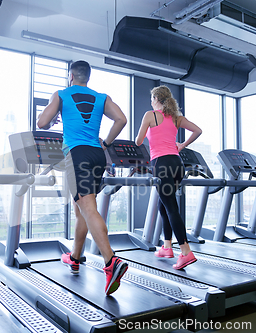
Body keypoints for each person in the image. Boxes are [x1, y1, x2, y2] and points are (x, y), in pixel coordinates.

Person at [37, 60, 128, 295]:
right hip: (98, 154)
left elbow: (42, 122)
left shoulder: (62, 94)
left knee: (87, 208)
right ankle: (75, 257)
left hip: (77, 154)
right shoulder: (101, 97)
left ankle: (111, 262)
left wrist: (56, 114)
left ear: (71, 76)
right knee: (82, 209)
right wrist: (106, 142)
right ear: (87, 77)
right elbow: (121, 119)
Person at [135, 85, 201, 269]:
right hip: (177, 164)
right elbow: (198, 130)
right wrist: (182, 145)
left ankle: (186, 251)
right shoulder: (176, 118)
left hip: (161, 164)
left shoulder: (150, 115)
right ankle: (167, 246)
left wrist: (145, 136)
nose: (150, 101)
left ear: (156, 98)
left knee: (171, 207)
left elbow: (138, 141)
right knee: (163, 205)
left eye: (151, 98)